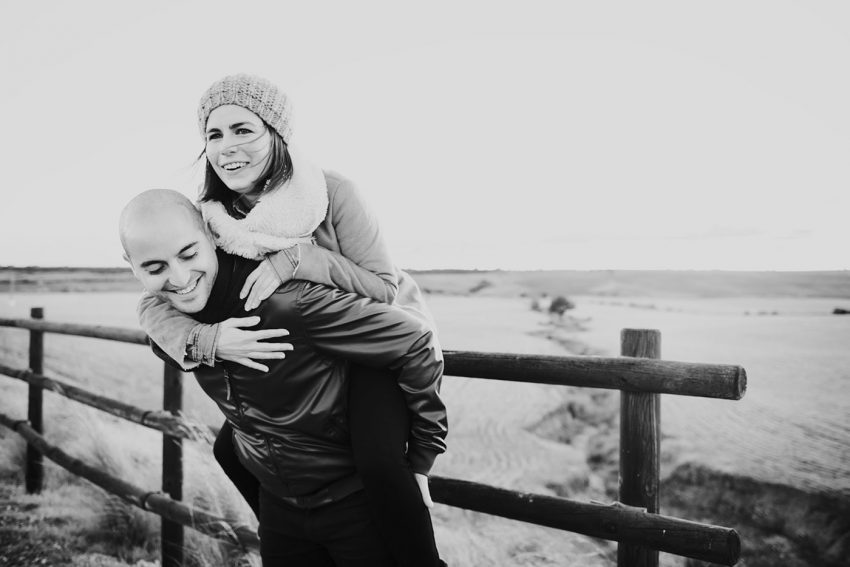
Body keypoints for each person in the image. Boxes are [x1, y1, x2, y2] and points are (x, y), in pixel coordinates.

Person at [137, 74, 446, 566]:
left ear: (276, 133)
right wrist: (205, 339)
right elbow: (163, 296)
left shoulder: (332, 191)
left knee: (378, 464)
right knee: (233, 449)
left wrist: (296, 259)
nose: (226, 147)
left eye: (243, 130)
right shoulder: (213, 214)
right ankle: (292, 532)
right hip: (305, 356)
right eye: (213, 135)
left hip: (367, 340)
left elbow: (384, 288)